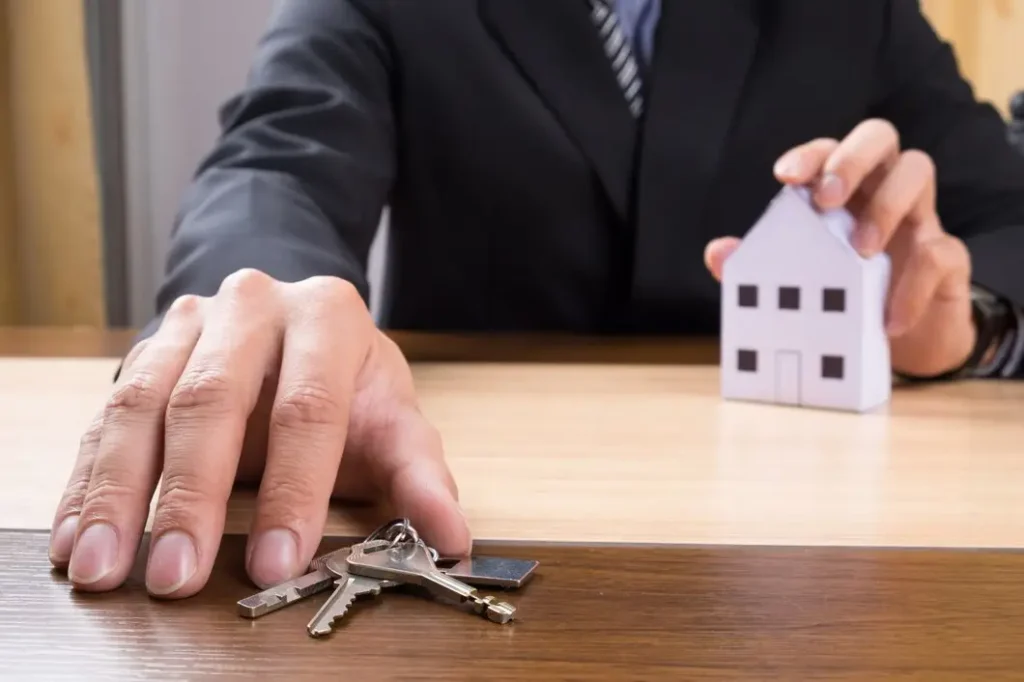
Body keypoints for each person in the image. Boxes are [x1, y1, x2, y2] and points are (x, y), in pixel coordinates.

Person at [49, 0, 1024, 600]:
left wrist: (965, 319)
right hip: (479, 496)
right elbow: (278, 162)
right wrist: (279, 304)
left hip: (810, 538)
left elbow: (1002, 215)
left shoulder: (861, 13)